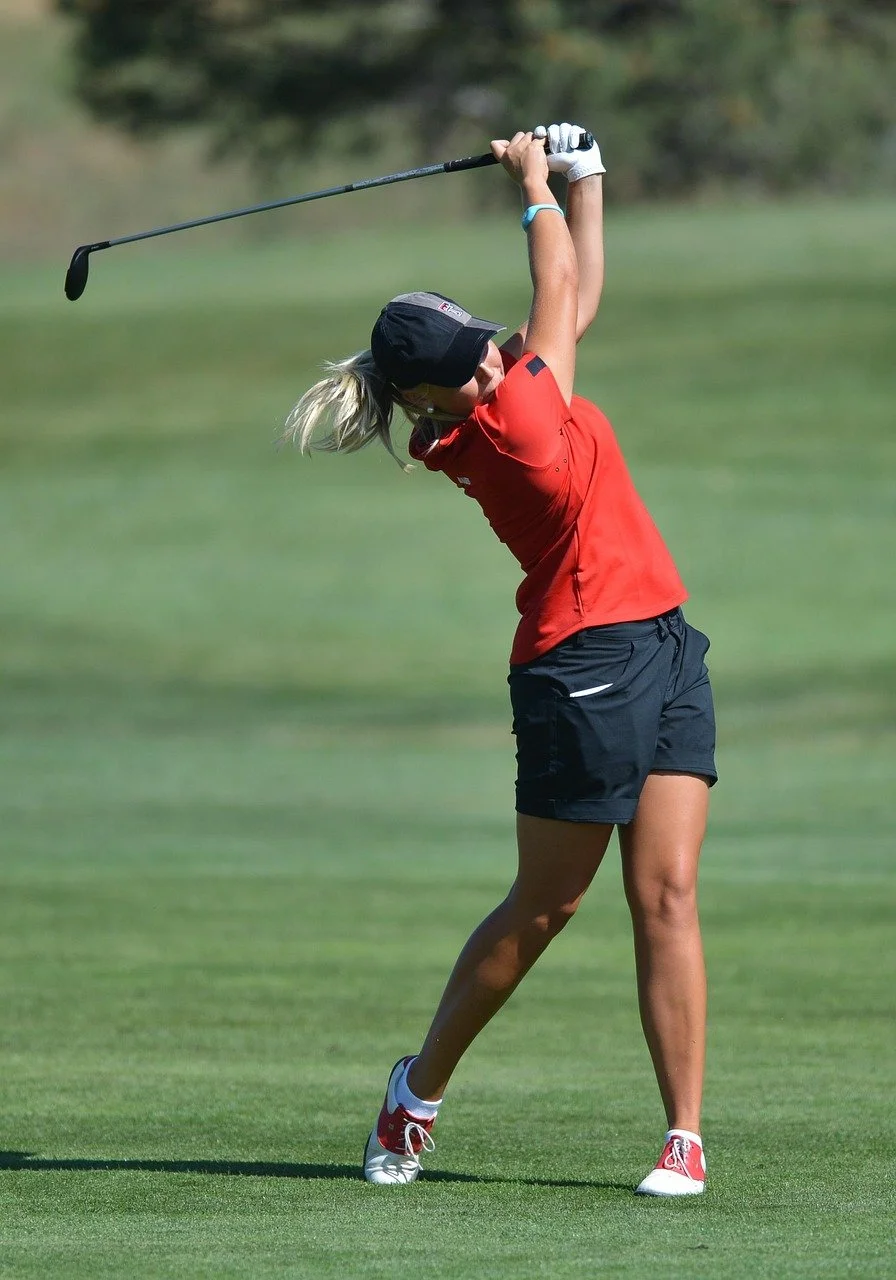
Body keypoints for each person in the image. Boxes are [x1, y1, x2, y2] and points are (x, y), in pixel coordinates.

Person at [281, 124, 717, 1197]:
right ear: (435, 401)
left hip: (661, 641)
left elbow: (575, 300)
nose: (494, 352)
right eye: (472, 359)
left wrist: (589, 178)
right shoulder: (507, 426)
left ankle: (683, 1133)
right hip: (578, 665)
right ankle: (414, 1087)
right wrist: (534, 183)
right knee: (545, 905)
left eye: (485, 341)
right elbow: (559, 278)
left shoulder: (493, 388)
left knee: (665, 891)